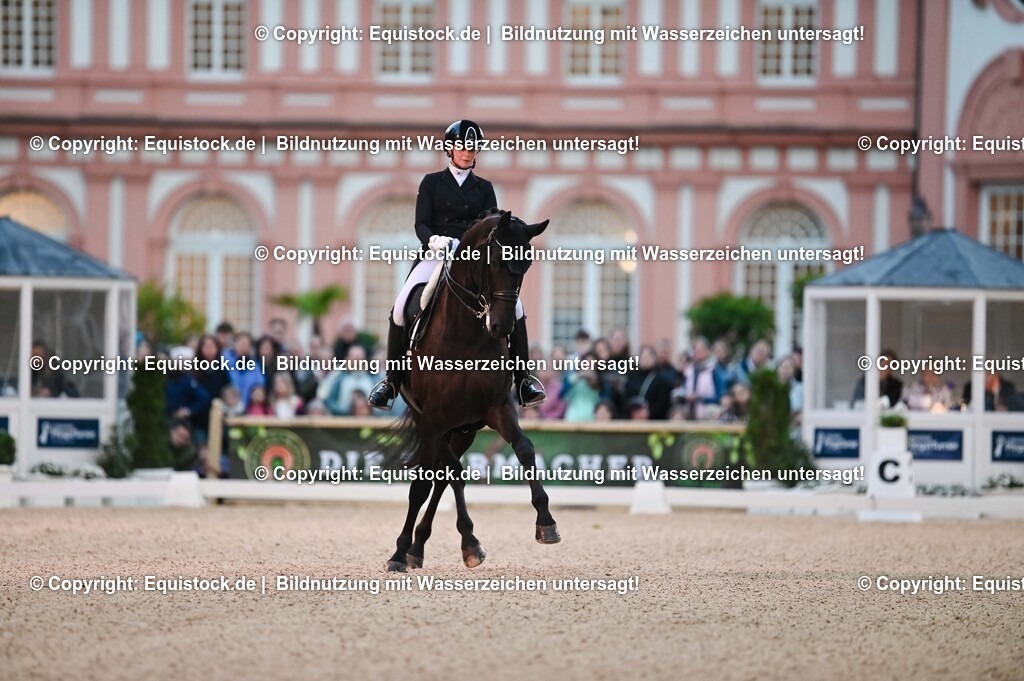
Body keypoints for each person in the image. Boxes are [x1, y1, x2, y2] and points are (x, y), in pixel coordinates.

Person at [368, 120, 545, 410]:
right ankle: (391, 382)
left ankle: (523, 380)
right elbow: (420, 224)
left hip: (473, 260)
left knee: (516, 307)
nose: (467, 152)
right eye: (462, 147)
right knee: (400, 306)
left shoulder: (484, 188)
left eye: (472, 148)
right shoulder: (431, 182)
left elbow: (493, 225)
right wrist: (434, 240)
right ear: (449, 149)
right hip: (436, 254)